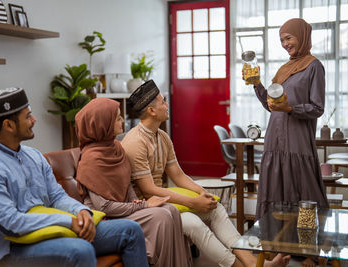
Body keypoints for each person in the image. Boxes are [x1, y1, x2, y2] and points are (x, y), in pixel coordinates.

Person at [0, 88, 148, 267]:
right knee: (81, 250)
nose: (34, 120)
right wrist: (68, 222)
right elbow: (11, 222)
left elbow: (57, 197)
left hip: (56, 231)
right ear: (8, 125)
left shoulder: (34, 156)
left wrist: (81, 212)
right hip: (15, 249)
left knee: (131, 230)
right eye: (28, 116)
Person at [121, 80, 291, 267]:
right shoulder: (135, 142)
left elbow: (177, 174)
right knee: (194, 223)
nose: (167, 105)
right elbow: (148, 190)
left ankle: (252, 262)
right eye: (163, 102)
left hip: (164, 202)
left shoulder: (162, 136)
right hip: (147, 208)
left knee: (215, 209)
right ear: (151, 111)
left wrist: (202, 193)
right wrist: (193, 202)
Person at [74, 97, 192, 267]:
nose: (123, 120)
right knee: (162, 216)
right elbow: (104, 207)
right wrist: (143, 206)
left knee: (171, 210)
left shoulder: (115, 147)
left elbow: (126, 182)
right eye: (117, 118)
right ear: (103, 123)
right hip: (108, 219)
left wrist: (135, 200)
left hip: (125, 209)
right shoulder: (91, 158)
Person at [246, 18, 329, 220]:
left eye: (289, 38)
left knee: (303, 191)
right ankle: (276, 244)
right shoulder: (284, 69)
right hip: (274, 139)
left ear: (302, 36)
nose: (285, 44)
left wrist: (290, 108)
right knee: (275, 190)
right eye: (282, 40)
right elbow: (271, 105)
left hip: (297, 141)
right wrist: (257, 84)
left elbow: (317, 108)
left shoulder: (313, 66)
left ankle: (303, 247)